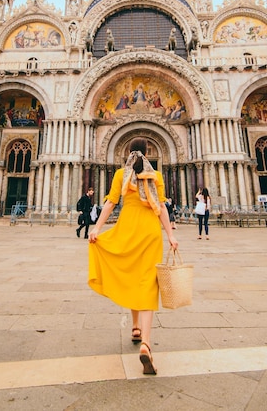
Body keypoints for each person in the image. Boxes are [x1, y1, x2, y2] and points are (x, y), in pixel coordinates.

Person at [88, 137, 178, 376]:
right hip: (150, 233)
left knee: (131, 277)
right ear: (148, 153)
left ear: (126, 152)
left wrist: (97, 228)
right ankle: (146, 342)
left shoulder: (121, 175)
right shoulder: (155, 176)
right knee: (148, 283)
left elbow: (109, 203)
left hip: (127, 230)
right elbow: (162, 207)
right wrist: (170, 235)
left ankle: (135, 327)